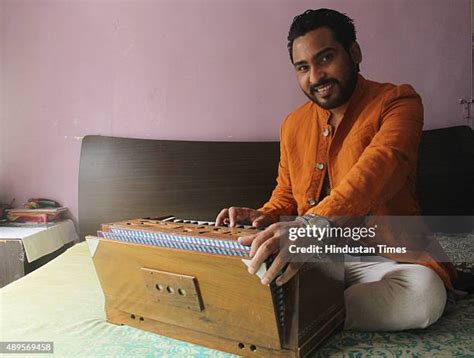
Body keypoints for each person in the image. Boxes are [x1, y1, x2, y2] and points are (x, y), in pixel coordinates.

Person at [215, 9, 455, 331]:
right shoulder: (292, 125)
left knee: (422, 295)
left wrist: (309, 228)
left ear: (354, 52)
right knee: (240, 266)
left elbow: (382, 167)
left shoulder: (398, 102)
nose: (315, 77)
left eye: (325, 58)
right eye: (303, 68)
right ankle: (307, 313)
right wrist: (263, 216)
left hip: (385, 260)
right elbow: (286, 196)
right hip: (314, 259)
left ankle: (293, 319)